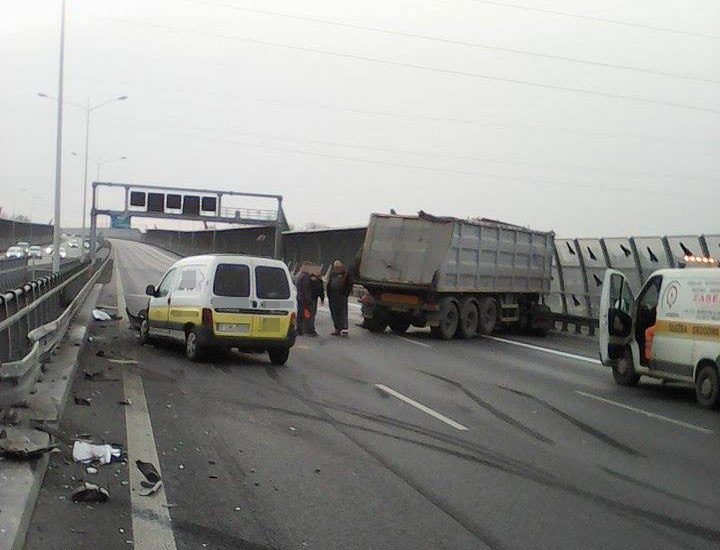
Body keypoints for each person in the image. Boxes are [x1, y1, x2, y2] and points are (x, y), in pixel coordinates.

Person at [327, 259, 353, 336]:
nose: (336, 268)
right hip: (333, 296)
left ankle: (344, 329)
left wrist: (345, 294)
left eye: (338, 266)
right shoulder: (332, 274)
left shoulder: (346, 274)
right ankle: (337, 329)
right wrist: (329, 295)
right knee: (334, 313)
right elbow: (329, 284)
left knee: (342, 312)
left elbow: (350, 285)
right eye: (335, 267)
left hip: (341, 296)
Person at [305, 271, 325, 336]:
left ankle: (304, 329)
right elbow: (321, 291)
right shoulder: (319, 281)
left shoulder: (307, 279)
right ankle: (310, 330)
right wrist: (322, 299)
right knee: (312, 314)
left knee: (307, 314)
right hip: (313, 299)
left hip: (306, 298)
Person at [295, 266, 312, 336]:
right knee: (305, 314)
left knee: (300, 314)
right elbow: (306, 289)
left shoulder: (300, 275)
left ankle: (299, 329)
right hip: (304, 299)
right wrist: (308, 299)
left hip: (300, 297)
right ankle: (305, 329)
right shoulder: (306, 277)